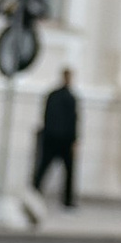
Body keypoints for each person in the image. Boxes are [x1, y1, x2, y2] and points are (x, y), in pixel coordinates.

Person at [32, 67, 80, 210]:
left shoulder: (53, 95)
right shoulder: (69, 97)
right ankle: (67, 201)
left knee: (44, 168)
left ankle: (35, 193)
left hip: (51, 138)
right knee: (67, 171)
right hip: (63, 140)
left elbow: (45, 116)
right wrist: (74, 140)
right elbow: (73, 121)